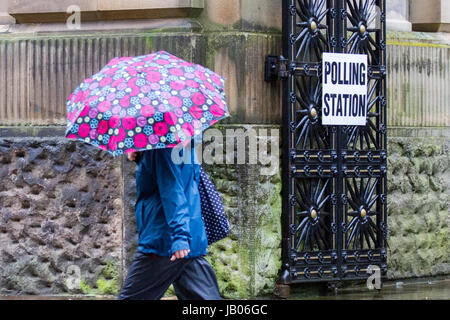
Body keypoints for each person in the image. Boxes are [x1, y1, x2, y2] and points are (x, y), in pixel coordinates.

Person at [118, 144, 221, 300]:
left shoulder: (159, 147)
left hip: (165, 241)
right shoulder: (184, 140)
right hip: (189, 236)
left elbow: (171, 189)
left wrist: (179, 237)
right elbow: (178, 179)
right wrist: (142, 156)